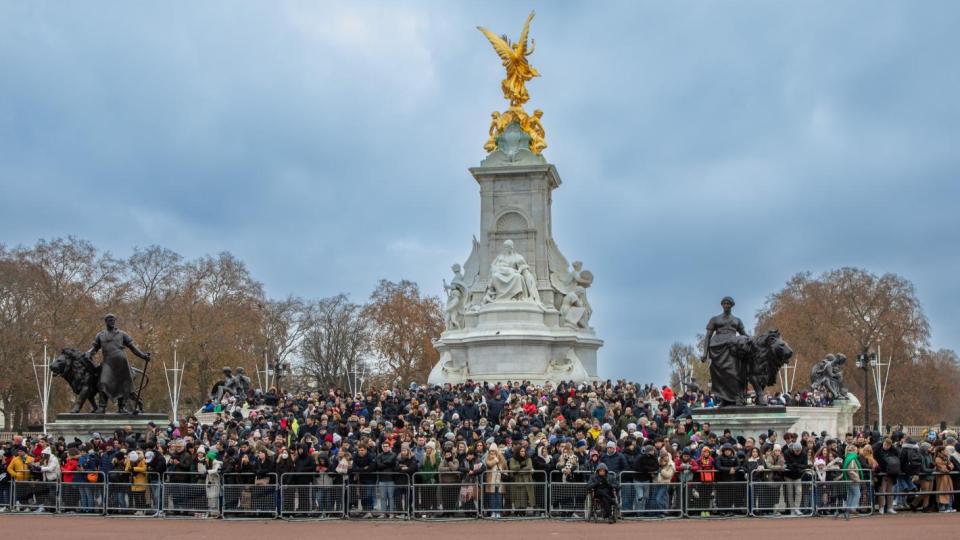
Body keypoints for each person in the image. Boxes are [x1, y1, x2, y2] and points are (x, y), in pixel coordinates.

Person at [841, 444, 862, 520]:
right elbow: (851, 470)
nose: (857, 451)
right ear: (854, 450)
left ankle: (847, 511)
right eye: (856, 450)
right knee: (857, 494)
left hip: (848, 480)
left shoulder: (847, 457)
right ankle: (852, 508)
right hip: (853, 480)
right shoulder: (852, 458)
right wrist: (857, 479)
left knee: (851, 495)